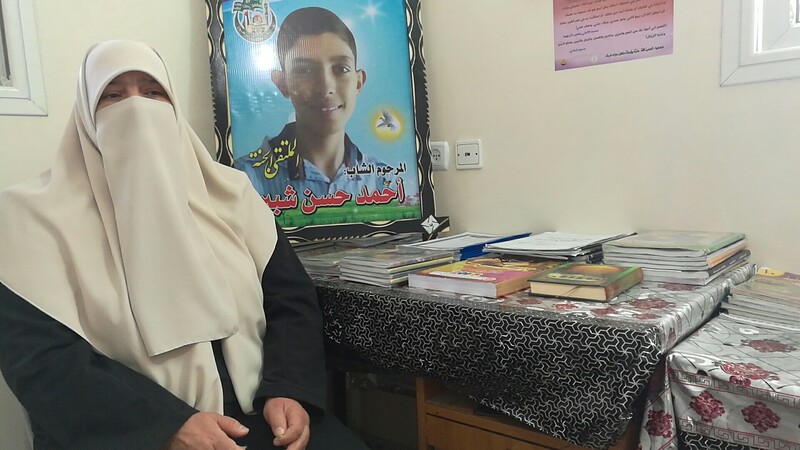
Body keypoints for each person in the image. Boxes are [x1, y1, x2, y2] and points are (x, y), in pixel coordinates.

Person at [0, 40, 368, 450]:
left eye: (153, 92)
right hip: (128, 429)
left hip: (256, 410)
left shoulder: (230, 194)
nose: (137, 108)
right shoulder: (30, 220)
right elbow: (43, 363)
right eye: (113, 95)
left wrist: (289, 390)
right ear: (86, 114)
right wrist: (167, 427)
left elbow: (291, 300)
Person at [234, 7, 397, 200]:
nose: (326, 87)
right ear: (282, 83)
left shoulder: (383, 179)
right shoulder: (244, 180)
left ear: (358, 82)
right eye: (305, 70)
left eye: (341, 68)